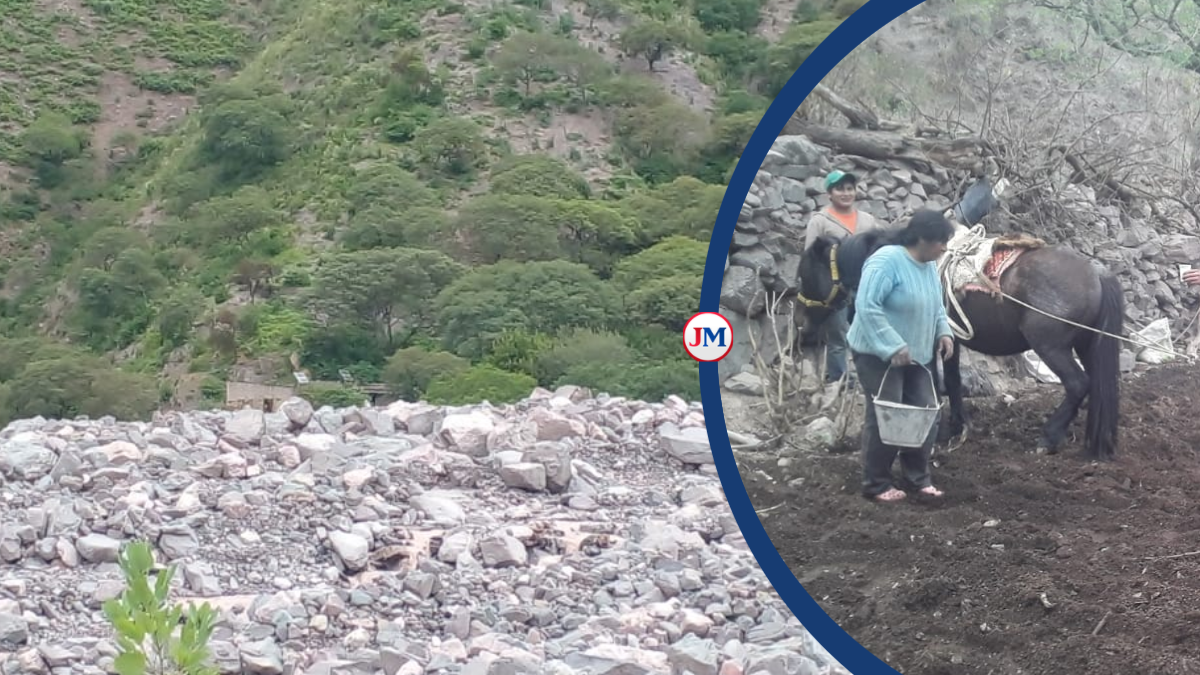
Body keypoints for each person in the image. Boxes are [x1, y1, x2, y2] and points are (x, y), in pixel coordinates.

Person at [846, 209, 956, 503]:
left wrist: (943, 331)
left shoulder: (929, 266)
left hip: (918, 356)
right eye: (940, 242)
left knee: (925, 413)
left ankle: (917, 478)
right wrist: (892, 345)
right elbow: (867, 307)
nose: (944, 248)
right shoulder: (886, 262)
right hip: (877, 354)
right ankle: (876, 482)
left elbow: (935, 306)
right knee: (887, 414)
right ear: (921, 239)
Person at [804, 170, 889, 384]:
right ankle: (839, 379)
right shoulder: (820, 221)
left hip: (865, 284)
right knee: (838, 336)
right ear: (829, 193)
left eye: (850, 188)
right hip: (835, 288)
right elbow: (810, 257)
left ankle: (869, 375)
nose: (846, 193)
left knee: (869, 330)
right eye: (840, 189)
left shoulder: (867, 221)